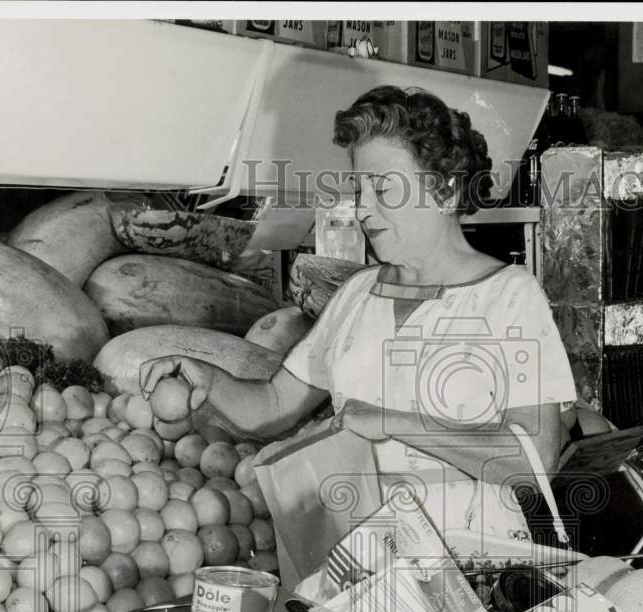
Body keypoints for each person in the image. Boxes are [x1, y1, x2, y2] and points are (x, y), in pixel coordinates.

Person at [141, 86, 577, 549]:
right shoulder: (357, 295)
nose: (363, 208)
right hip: (360, 574)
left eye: (383, 187)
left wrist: (396, 422)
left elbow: (535, 462)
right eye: (358, 188)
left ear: (445, 190)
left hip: (474, 574)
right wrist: (210, 382)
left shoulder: (508, 297)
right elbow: (271, 406)